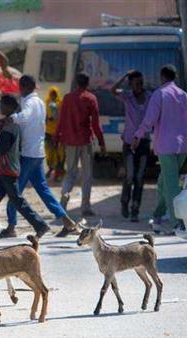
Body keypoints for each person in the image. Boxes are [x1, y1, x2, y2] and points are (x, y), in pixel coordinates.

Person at [1, 76, 79, 238]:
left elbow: (25, 116)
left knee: (15, 192)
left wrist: (10, 119)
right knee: (44, 191)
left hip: (28, 154)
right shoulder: (41, 103)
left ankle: (11, 226)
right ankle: (68, 223)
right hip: (38, 153)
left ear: (23, 87)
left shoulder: (29, 103)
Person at [0, 94, 50, 238]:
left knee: (16, 201)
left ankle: (41, 225)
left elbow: (3, 149)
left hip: (7, 170)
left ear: (9, 107)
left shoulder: (9, 126)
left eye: (3, 105)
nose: (1, 107)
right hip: (6, 169)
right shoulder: (13, 124)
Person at [132, 65, 187, 237]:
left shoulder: (160, 94)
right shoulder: (184, 95)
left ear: (162, 77)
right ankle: (157, 217)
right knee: (164, 182)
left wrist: (137, 135)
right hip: (183, 146)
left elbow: (149, 119)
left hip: (166, 146)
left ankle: (177, 223)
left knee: (171, 186)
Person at [55, 72, 106, 216]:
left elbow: (61, 120)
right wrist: (101, 142)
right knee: (87, 174)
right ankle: (85, 207)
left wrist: (56, 138)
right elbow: (96, 124)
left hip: (70, 141)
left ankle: (63, 204)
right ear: (88, 83)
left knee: (70, 173)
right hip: (85, 141)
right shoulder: (91, 98)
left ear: (76, 83)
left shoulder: (67, 98)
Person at [111, 70, 151, 222]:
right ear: (131, 84)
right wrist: (123, 77)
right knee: (129, 176)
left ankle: (135, 209)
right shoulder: (127, 97)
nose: (140, 86)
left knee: (140, 178)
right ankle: (124, 202)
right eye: (136, 83)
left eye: (141, 83)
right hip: (128, 143)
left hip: (144, 143)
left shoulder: (150, 97)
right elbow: (112, 90)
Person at [44, 86, 65, 181]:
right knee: (49, 152)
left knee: (58, 153)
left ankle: (58, 172)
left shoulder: (60, 104)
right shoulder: (48, 103)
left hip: (58, 132)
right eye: (51, 94)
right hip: (48, 131)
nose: (52, 96)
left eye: (54, 94)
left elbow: (61, 117)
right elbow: (46, 116)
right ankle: (50, 169)